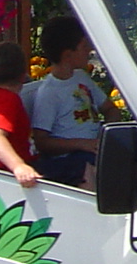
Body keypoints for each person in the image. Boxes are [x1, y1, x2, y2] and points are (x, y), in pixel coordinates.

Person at [26, 15, 116, 188]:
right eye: (83, 46)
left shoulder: (82, 78)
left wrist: (106, 138)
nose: (89, 49)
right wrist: (82, 144)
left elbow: (111, 109)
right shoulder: (49, 93)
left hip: (96, 146)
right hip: (73, 157)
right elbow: (42, 142)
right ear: (67, 55)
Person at [0, 42, 42, 189]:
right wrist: (18, 166)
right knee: (81, 166)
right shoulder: (8, 100)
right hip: (3, 172)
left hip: (11, 167)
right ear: (23, 76)